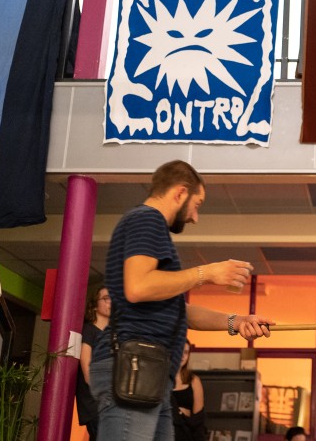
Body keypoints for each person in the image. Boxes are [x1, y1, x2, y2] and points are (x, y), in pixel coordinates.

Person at [90, 160, 275, 441]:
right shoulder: (146, 219)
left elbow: (179, 310)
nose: (194, 217)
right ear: (180, 192)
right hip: (133, 364)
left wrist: (237, 321)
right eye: (197, 204)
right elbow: (138, 287)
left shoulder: (149, 225)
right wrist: (207, 273)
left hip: (150, 369)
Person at [76, 286, 111, 441]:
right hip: (95, 404)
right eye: (106, 298)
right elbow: (87, 370)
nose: (112, 302)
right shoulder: (89, 330)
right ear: (95, 304)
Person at [172, 339, 206, 441]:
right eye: (180, 351)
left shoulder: (194, 380)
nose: (182, 356)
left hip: (186, 432)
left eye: (186, 352)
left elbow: (198, 418)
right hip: (166, 430)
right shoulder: (162, 379)